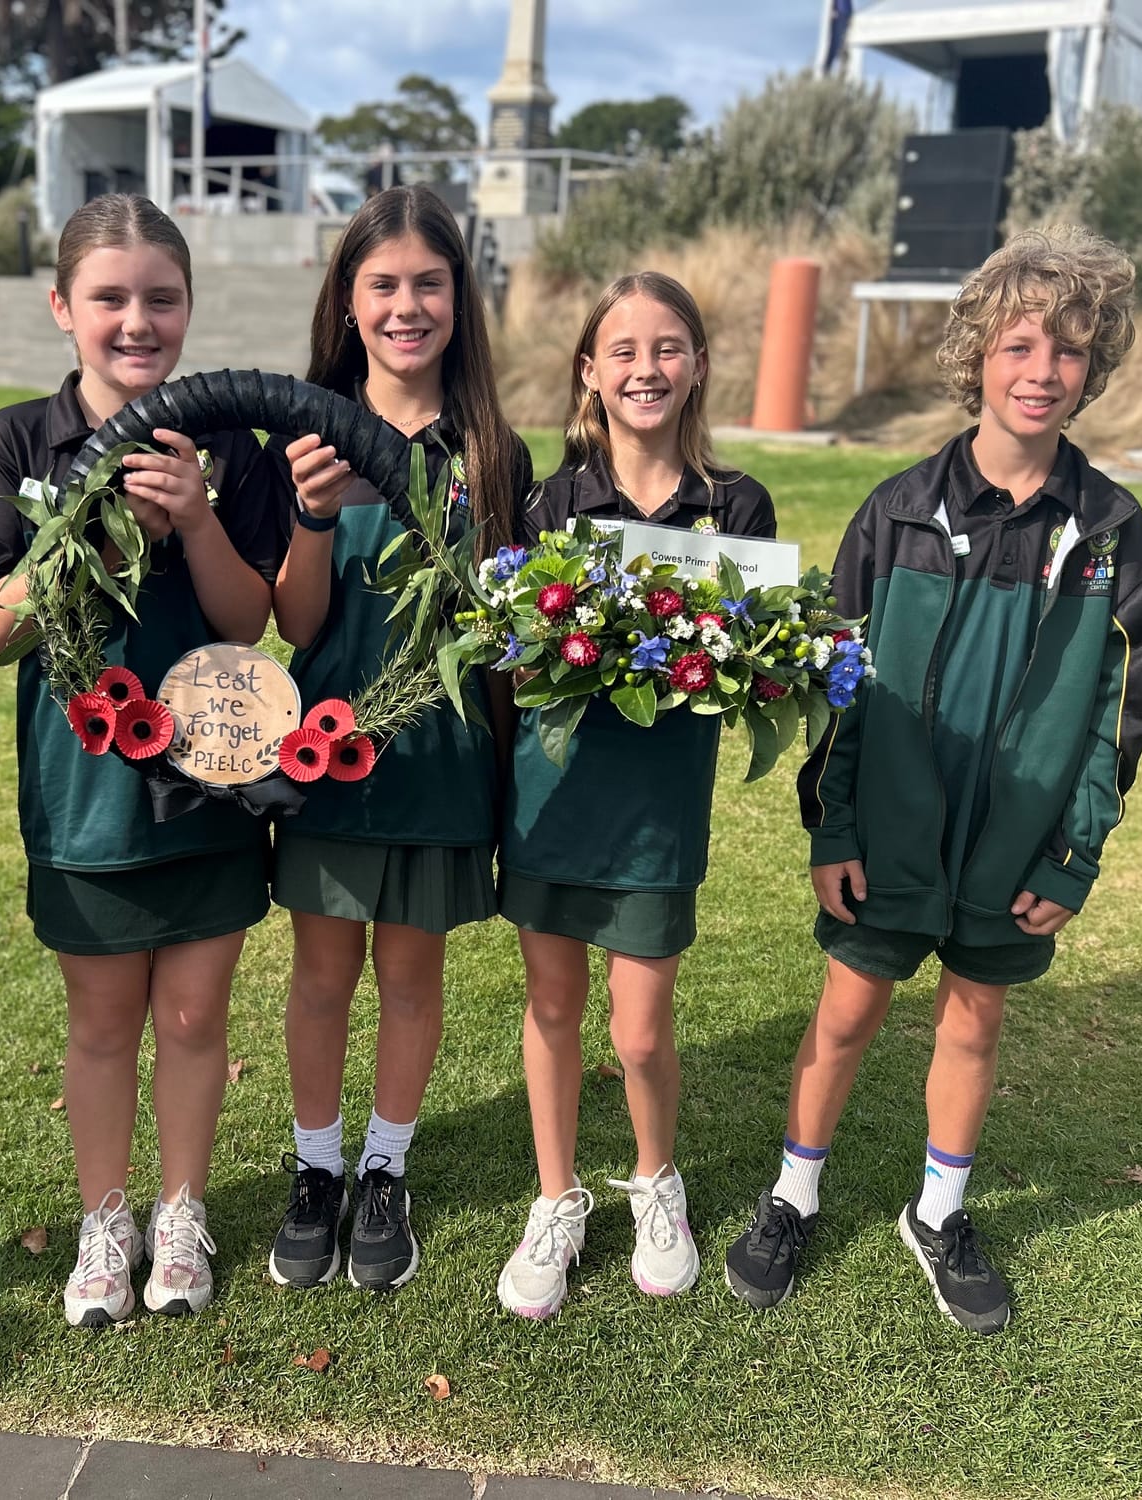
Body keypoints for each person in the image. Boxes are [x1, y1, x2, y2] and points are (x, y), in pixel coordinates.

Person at [722, 227, 1142, 1334]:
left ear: (1090, 368)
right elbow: (838, 689)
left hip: (1013, 849)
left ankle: (939, 1212)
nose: (1040, 372)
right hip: (889, 831)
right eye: (1019, 345)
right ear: (975, 355)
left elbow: (1119, 717)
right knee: (843, 1015)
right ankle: (792, 1194)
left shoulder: (1109, 530)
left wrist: (1071, 856)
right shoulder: (894, 511)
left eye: (1067, 351)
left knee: (972, 1025)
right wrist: (831, 832)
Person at [0, 194, 287, 1327]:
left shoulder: (226, 448)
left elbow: (246, 626)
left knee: (195, 1019)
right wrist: (97, 531)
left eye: (161, 297)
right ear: (62, 308)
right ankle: (107, 1220)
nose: (135, 321)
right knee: (100, 1023)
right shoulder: (15, 442)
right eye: (108, 298)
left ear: (188, 308)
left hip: (210, 770)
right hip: (84, 790)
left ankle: (180, 1210)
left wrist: (196, 521)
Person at [267, 184, 533, 1294]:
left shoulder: (492, 451)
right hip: (329, 752)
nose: (405, 305)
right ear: (347, 297)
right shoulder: (306, 431)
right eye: (382, 284)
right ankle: (316, 1168)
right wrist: (314, 517)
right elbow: (295, 622)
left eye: (428, 283)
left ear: (458, 302)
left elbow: (509, 628)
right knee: (322, 971)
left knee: (410, 974)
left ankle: (386, 1167)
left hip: (438, 759)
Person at [494, 272, 776, 1318]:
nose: (644, 369)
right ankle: (555, 1197)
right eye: (622, 351)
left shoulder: (734, 505)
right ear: (588, 373)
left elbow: (745, 667)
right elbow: (512, 661)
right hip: (550, 798)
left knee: (641, 1033)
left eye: (666, 348)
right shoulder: (546, 503)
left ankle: (658, 1181)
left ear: (696, 365)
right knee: (553, 1007)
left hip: (657, 810)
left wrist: (742, 659)